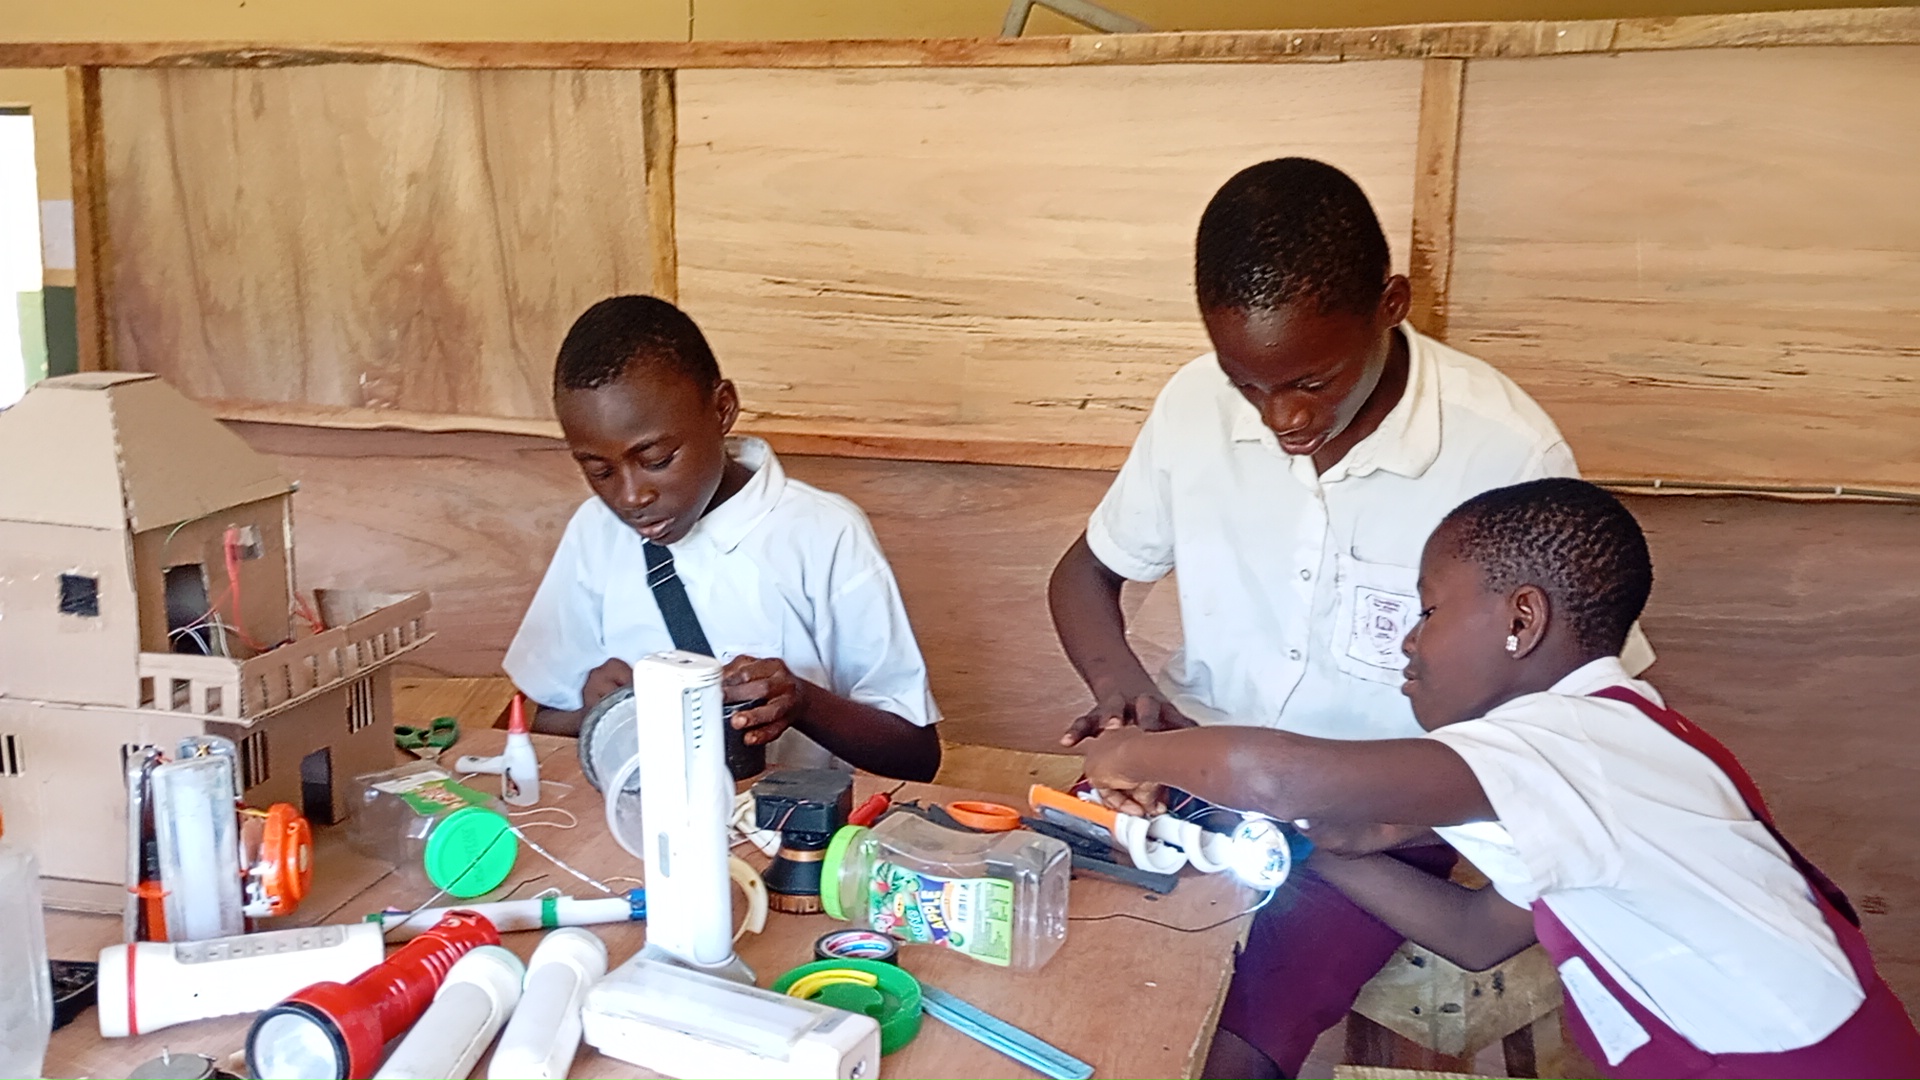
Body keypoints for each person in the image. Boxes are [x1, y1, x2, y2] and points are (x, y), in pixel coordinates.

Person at [1049, 156, 1650, 1078]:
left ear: (1390, 304)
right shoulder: (1192, 407)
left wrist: (1355, 820)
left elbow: (1585, 706)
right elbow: (1084, 577)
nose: (1281, 417)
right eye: (1248, 385)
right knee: (1060, 967)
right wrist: (1123, 690)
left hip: (1383, 830)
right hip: (1195, 776)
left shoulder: (1501, 448)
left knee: (1222, 1048)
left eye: (1314, 382)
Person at [1081, 478, 1920, 1078]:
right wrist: (1319, 850)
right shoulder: (1602, 747)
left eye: (1430, 609)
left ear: (1522, 619)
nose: (1408, 642)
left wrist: (1125, 753)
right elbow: (1479, 932)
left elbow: (1271, 774)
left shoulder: (1571, 743)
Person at [504, 295, 942, 781]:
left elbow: (917, 756)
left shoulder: (823, 533)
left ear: (722, 409)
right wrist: (598, 711)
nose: (631, 497)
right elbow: (535, 722)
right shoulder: (595, 531)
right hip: (636, 825)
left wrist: (802, 700)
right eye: (599, 470)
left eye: (657, 460)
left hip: (782, 833)